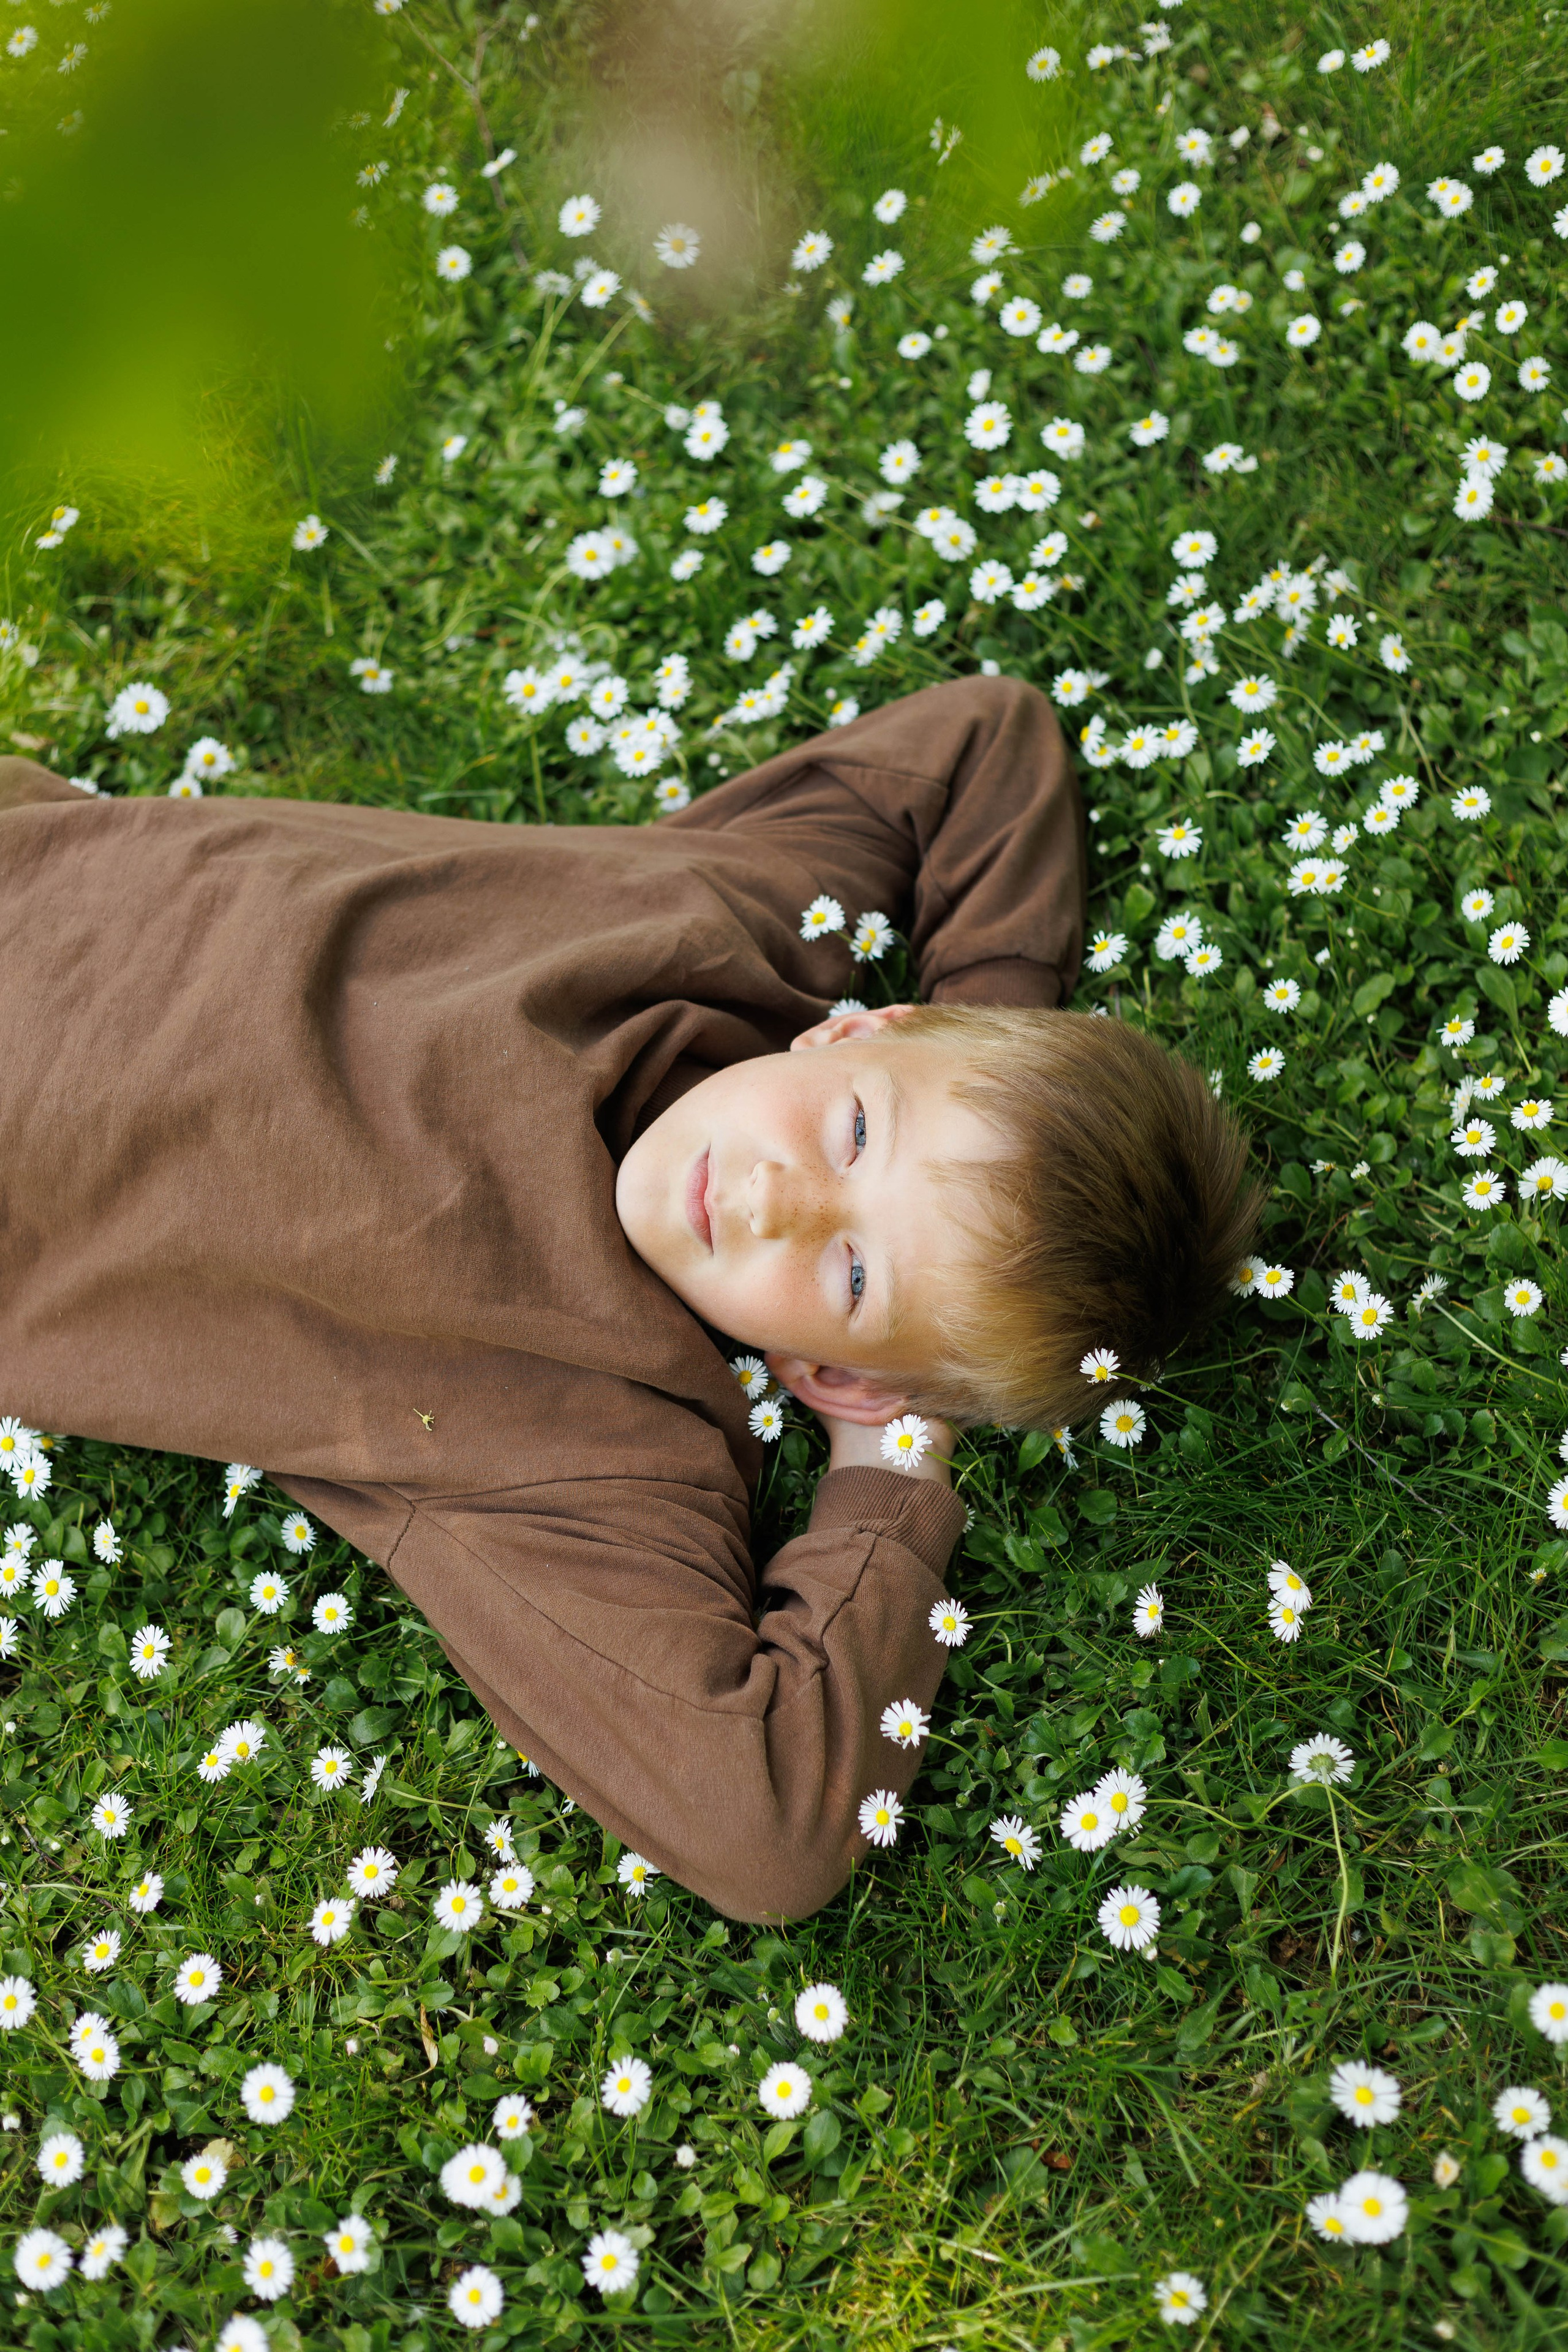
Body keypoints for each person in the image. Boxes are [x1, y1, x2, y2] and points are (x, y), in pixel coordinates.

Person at [0, 676, 1256, 1918]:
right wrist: (975, 1054)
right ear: (857, 1033)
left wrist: (893, 1458)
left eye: (854, 1273)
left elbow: (764, 1826)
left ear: (835, 1375)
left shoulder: (593, 1440)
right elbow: (985, 737)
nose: (776, 1197)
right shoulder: (748, 929)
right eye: (859, 1133)